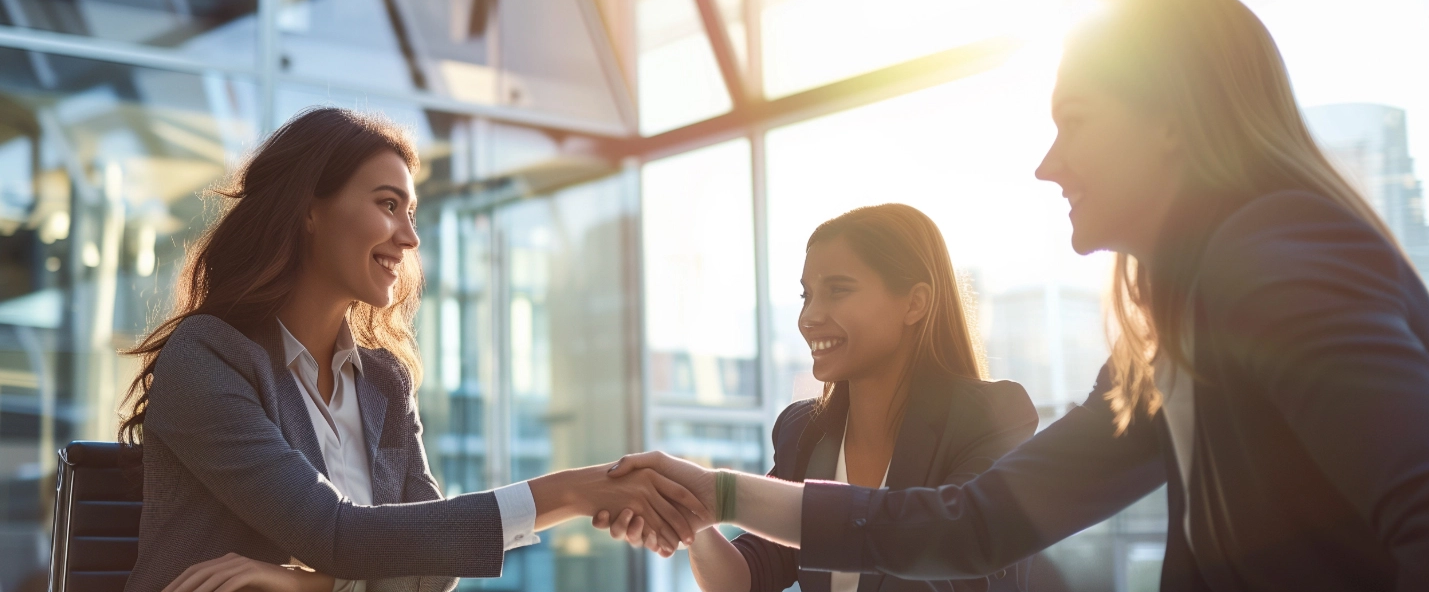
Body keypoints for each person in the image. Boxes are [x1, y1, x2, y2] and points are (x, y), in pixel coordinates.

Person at [604, 0, 1429, 590]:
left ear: (1170, 119)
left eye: (1074, 119)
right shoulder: (1174, 329)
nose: (1048, 162)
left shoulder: (1276, 255)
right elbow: (971, 525)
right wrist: (712, 493)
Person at [119, 107, 708, 592]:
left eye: (411, 211)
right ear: (308, 211)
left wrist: (306, 584)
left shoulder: (383, 382)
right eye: (387, 204)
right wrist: (570, 492)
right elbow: (335, 533)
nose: (410, 237)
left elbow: (434, 569)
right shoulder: (209, 358)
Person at [599, 204, 1038, 591]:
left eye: (838, 290)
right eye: (807, 295)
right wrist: (692, 521)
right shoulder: (802, 431)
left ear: (915, 303)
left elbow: (942, 547)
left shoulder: (991, 418)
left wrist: (722, 493)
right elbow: (746, 578)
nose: (809, 317)